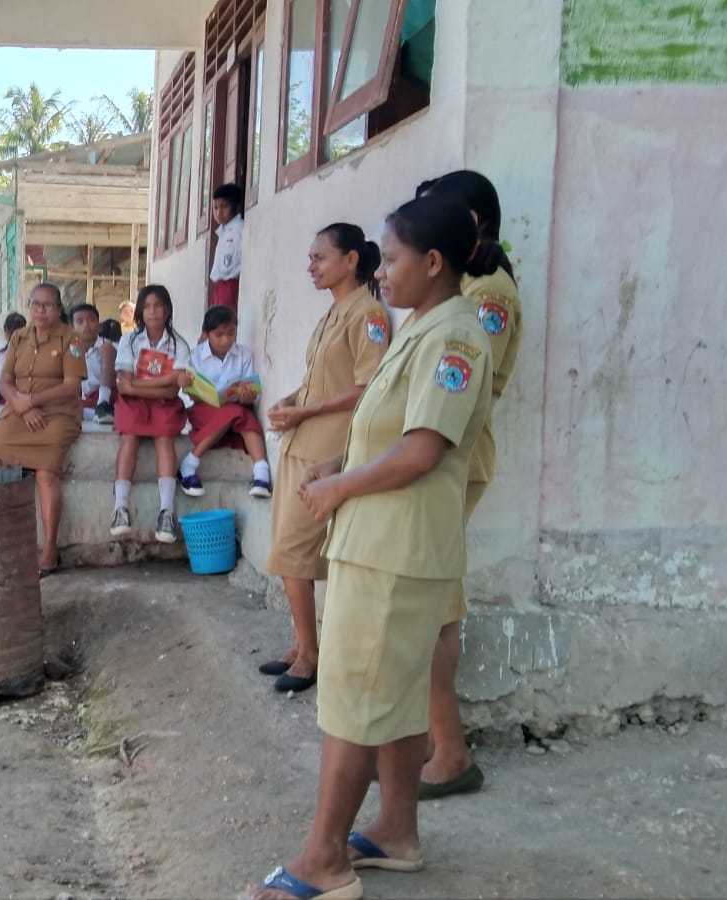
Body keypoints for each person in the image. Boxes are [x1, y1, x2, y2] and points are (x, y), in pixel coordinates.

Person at [247, 195, 495, 900]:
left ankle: (324, 860)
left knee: (355, 697)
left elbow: (423, 449)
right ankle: (395, 831)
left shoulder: (454, 339)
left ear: (434, 262)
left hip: (396, 547)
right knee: (392, 694)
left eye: (390, 259)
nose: (381, 273)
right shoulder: (423, 328)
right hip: (382, 542)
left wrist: (339, 487)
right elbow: (387, 429)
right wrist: (337, 463)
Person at [413, 170, 524, 799]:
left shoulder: (489, 296)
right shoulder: (464, 289)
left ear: (473, 223)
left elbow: (458, 391)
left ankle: (451, 752)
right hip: (436, 456)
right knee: (433, 606)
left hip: (449, 459)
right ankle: (435, 742)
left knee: (432, 609)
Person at [261, 223, 390, 694]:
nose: (311, 267)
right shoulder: (333, 312)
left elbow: (369, 386)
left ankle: (310, 656)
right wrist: (293, 402)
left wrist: (307, 410)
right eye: (311, 258)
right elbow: (320, 379)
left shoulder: (369, 314)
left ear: (350, 260)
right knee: (287, 550)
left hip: (328, 449)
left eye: (320, 258)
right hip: (302, 442)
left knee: (294, 552)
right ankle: (301, 642)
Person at [0, 284, 86, 576]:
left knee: (45, 474)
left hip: (58, 413)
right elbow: (5, 381)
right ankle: (7, 545)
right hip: (19, 411)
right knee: (1, 469)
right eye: (36, 304)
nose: (41, 310)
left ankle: (50, 549)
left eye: (48, 305)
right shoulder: (19, 337)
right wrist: (22, 406)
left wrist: (32, 401)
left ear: (59, 309)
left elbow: (72, 386)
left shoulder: (71, 338)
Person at [111, 284, 193, 544]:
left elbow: (172, 391)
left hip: (163, 403)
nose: (152, 311)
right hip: (133, 403)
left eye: (158, 305)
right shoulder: (129, 340)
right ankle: (120, 507)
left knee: (164, 438)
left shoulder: (179, 344)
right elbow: (123, 385)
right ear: (140, 311)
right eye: (146, 306)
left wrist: (137, 385)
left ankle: (166, 511)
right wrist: (167, 379)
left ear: (167, 310)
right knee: (130, 437)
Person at [180, 304, 272, 498]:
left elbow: (250, 389)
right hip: (203, 409)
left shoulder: (244, 355)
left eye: (231, 333)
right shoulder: (194, 356)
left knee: (245, 416)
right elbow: (190, 393)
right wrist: (201, 393)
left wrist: (247, 394)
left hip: (236, 407)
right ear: (206, 334)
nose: (226, 340)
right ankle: (189, 464)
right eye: (219, 334)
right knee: (237, 414)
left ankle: (262, 477)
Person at [68, 303, 114, 416]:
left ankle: (103, 405)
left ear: (100, 326)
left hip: (105, 396)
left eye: (91, 320)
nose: (86, 325)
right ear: (71, 329)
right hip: (79, 398)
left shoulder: (109, 347)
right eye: (80, 321)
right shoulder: (69, 350)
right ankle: (93, 414)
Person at [209, 183, 246, 311]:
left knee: (224, 320)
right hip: (220, 287)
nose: (219, 213)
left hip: (231, 286)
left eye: (224, 207)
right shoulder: (223, 231)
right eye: (215, 208)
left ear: (236, 206)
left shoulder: (239, 229)